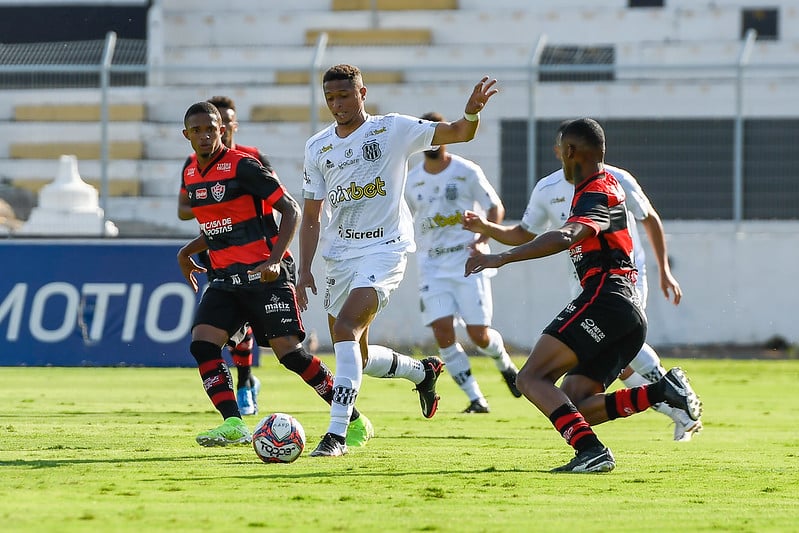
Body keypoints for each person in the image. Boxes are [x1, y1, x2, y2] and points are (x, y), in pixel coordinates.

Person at [464, 118, 701, 472]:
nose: (558, 155)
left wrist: (501, 257)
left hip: (606, 299)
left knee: (530, 378)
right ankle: (661, 392)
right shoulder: (587, 186)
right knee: (575, 400)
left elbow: (568, 235)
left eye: (560, 149)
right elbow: (536, 230)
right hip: (626, 312)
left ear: (570, 151)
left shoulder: (597, 189)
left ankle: (591, 451)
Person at [297, 64, 498, 457]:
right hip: (339, 255)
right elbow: (311, 215)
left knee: (346, 332)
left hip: (385, 248)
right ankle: (423, 373)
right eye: (331, 98)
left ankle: (337, 434)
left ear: (362, 93)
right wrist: (304, 268)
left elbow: (460, 132)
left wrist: (471, 112)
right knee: (360, 352)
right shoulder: (317, 146)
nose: (337, 105)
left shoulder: (392, 129)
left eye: (345, 96)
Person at [177, 101, 373, 447]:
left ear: (223, 129)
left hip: (266, 278)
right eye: (198, 130)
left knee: (291, 355)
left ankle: (353, 419)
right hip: (225, 279)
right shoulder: (191, 173)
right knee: (203, 344)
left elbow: (291, 210)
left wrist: (274, 259)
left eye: (212, 128)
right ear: (187, 135)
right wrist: (187, 251)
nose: (206, 135)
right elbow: (221, 227)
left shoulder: (244, 167)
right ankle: (234, 423)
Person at [405, 111, 521, 414]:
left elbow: (495, 207)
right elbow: (402, 217)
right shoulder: (411, 179)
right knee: (443, 332)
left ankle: (505, 364)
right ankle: (476, 399)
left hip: (468, 262)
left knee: (478, 335)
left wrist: (483, 237)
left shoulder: (466, 172)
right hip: (431, 265)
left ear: (444, 136)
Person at [177, 95, 267, 416]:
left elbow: (270, 205)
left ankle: (244, 383)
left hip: (253, 256)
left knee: (267, 340)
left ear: (230, 126)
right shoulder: (192, 167)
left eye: (224, 124)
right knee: (220, 336)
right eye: (197, 129)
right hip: (216, 255)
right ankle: (243, 388)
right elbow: (183, 209)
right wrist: (212, 206)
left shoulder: (250, 160)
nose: (219, 130)